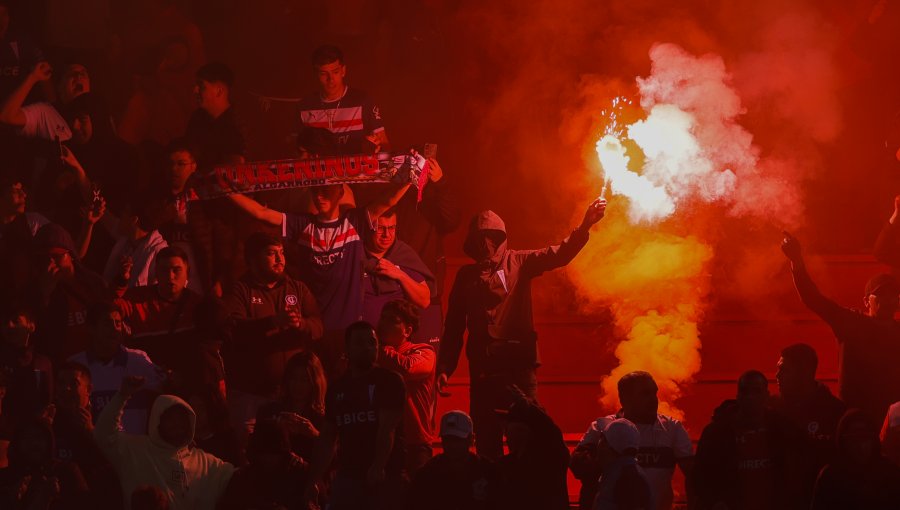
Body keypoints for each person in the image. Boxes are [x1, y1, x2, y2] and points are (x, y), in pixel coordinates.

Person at [437, 198, 607, 459]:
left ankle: (527, 492)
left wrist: (585, 225)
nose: (486, 244)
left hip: (518, 367)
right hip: (484, 369)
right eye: (480, 237)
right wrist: (445, 366)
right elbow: (454, 326)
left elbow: (559, 254)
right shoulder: (466, 277)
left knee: (529, 433)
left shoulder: (520, 262)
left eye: (491, 236)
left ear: (501, 237)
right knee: (487, 437)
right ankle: (493, 494)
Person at [782, 232, 900, 423]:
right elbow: (813, 299)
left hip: (894, 420)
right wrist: (796, 261)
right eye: (881, 295)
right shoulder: (851, 323)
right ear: (866, 301)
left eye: (893, 295)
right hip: (856, 419)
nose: (888, 300)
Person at [223, 232, 323, 438]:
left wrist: (301, 324)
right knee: (248, 452)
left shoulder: (297, 288)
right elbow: (234, 329)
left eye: (282, 253)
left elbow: (318, 327)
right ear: (253, 259)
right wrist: (272, 322)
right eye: (271, 254)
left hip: (289, 398)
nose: (280, 259)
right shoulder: (240, 290)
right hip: (249, 396)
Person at [303, 322, 406, 510]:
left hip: (384, 475)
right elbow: (328, 437)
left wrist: (378, 465)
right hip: (348, 476)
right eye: (359, 342)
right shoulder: (337, 388)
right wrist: (315, 478)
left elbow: (387, 429)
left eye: (372, 342)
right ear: (347, 349)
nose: (367, 347)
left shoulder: (389, 381)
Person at [94, 376, 234, 510]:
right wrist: (122, 396)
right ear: (156, 421)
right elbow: (104, 434)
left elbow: (238, 480)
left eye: (181, 418)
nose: (176, 424)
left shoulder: (205, 463)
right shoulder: (134, 450)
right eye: (170, 418)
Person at [572, 371, 692, 510]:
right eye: (645, 394)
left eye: (654, 393)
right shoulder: (601, 427)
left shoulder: (672, 428)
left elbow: (694, 476)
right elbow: (577, 466)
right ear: (624, 398)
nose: (653, 399)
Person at [689, 370, 802, 510]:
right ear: (738, 396)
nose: (750, 397)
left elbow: (796, 472)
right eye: (745, 391)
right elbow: (700, 476)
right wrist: (715, 501)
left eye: (756, 391)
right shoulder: (716, 433)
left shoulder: (783, 429)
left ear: (766, 396)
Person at [184, 61, 246, 296]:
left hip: (231, 211)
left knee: (227, 269)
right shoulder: (197, 121)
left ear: (219, 90)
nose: (195, 91)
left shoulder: (238, 124)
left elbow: (239, 170)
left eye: (201, 86)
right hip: (200, 205)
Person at [114, 246, 213, 392]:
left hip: (185, 385)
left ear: (188, 272)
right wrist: (121, 281)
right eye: (164, 270)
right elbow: (108, 309)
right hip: (146, 384)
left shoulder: (198, 306)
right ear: (156, 273)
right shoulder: (137, 299)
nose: (170, 276)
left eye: (176, 270)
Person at [69, 301, 163, 435]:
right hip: (93, 449)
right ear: (91, 328)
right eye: (107, 323)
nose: (114, 329)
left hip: (134, 450)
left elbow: (164, 394)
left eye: (118, 323)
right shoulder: (76, 366)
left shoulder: (139, 361)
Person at [770, 343, 846, 506]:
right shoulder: (770, 409)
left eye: (784, 370)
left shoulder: (835, 413)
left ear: (804, 373)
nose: (777, 375)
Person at [50, 361, 124, 509]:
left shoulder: (105, 421)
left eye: (74, 383)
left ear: (88, 389)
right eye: (61, 383)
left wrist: (91, 431)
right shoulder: (48, 419)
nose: (66, 389)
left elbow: (120, 464)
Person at [376, 299, 436, 474]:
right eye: (383, 318)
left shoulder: (424, 352)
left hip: (414, 443)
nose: (384, 324)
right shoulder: (375, 356)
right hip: (381, 440)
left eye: (392, 320)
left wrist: (380, 350)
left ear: (408, 331)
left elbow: (408, 368)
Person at [297, 45, 388, 155]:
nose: (330, 80)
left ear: (343, 71)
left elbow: (385, 146)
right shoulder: (304, 106)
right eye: (323, 74)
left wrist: (374, 147)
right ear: (316, 74)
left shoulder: (362, 101)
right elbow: (295, 152)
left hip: (358, 171)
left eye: (335, 72)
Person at [407, 410, 500, 510]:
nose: (452, 445)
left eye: (457, 439)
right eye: (448, 439)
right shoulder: (427, 475)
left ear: (471, 439)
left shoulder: (488, 472)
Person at [811, 409, 900, 509]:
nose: (860, 445)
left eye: (865, 438)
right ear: (843, 441)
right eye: (854, 439)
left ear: (873, 440)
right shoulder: (830, 476)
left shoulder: (890, 472)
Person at [362, 209, 434, 329]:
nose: (387, 234)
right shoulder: (354, 253)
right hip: (362, 337)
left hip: (395, 338)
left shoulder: (403, 254)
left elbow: (424, 300)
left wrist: (399, 275)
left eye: (391, 228)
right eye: (380, 228)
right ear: (369, 227)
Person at [496, 395, 570, 510]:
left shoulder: (551, 460)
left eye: (510, 425)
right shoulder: (505, 464)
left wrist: (529, 408)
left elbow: (551, 432)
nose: (506, 432)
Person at [217, 419, 308, 510]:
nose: (268, 459)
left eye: (273, 454)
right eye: (264, 454)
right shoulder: (243, 478)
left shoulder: (300, 474)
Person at [0, 419, 90, 509]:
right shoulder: (6, 477)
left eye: (39, 437)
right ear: (17, 443)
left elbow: (83, 504)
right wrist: (10, 499)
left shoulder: (66, 471)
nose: (34, 443)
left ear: (49, 441)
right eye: (26, 438)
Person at [255, 351, 327, 462]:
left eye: (304, 380)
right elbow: (255, 450)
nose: (298, 385)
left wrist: (314, 435)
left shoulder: (323, 418)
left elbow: (335, 458)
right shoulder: (270, 410)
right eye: (293, 378)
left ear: (315, 382)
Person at [0, 307, 52, 431]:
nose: (9, 326)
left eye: (16, 321)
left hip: (32, 433)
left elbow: (46, 401)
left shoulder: (42, 363)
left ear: (31, 326)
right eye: (4, 322)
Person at [101, 199, 169, 289]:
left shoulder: (160, 253)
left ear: (134, 220)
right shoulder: (126, 239)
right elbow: (108, 220)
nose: (121, 214)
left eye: (125, 212)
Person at [592, 418, 654, 510]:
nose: (598, 443)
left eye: (602, 437)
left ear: (609, 445)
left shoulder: (628, 478)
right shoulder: (626, 473)